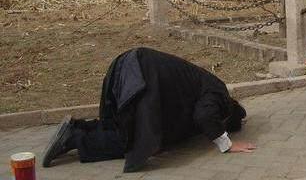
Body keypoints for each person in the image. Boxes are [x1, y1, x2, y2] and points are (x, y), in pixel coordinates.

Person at [42, 47, 256, 172]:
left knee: (124, 126)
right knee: (137, 141)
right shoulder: (219, 93)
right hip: (143, 74)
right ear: (228, 112)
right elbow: (204, 115)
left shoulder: (203, 82)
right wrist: (226, 143)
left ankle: (77, 127)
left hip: (130, 63)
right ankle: (74, 138)